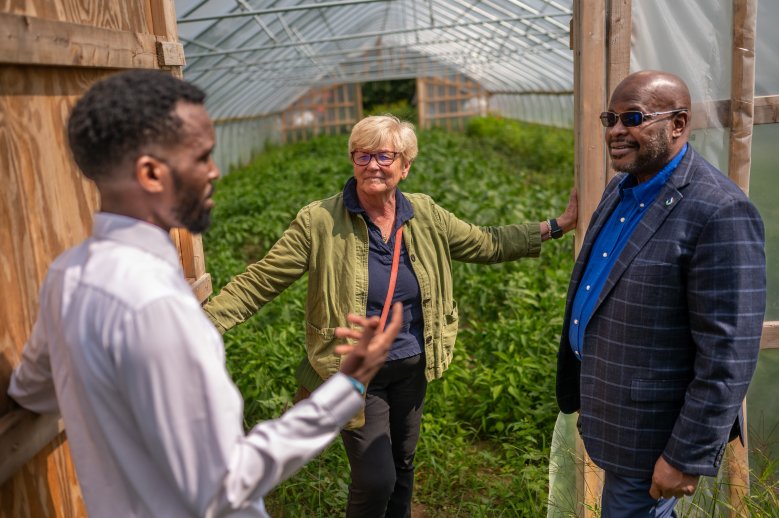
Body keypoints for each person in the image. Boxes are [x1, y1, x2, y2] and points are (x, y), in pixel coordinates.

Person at [7, 69, 403, 518]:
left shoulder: (67, 274)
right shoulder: (156, 304)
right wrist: (346, 386)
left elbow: (31, 390)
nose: (215, 171)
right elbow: (223, 484)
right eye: (201, 157)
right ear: (151, 173)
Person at [204, 114, 578, 517]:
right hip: (356, 372)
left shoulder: (426, 214)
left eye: (384, 156)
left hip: (412, 369)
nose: (373, 166)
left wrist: (556, 226)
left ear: (405, 166)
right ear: (352, 161)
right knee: (375, 479)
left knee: (402, 465)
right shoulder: (320, 222)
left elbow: (486, 243)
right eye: (362, 155)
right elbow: (261, 280)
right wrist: (201, 325)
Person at [556, 70, 766, 517]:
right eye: (610, 118)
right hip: (616, 415)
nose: (615, 130)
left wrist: (686, 455)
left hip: (655, 435)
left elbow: (729, 353)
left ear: (678, 123)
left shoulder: (719, 210)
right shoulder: (621, 189)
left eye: (632, 118)